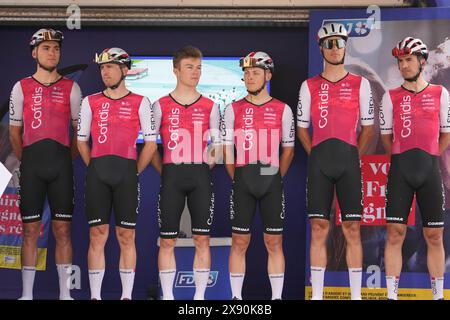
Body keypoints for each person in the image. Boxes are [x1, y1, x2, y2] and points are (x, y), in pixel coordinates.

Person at [297, 23, 374, 300]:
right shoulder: (309, 86)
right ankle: (317, 295)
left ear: (345, 46)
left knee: (352, 229)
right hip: (320, 162)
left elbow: (368, 128)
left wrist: (353, 156)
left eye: (339, 43)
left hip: (348, 163)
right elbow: (302, 129)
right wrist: (315, 154)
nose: (334, 48)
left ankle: (356, 296)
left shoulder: (360, 83)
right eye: (329, 44)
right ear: (321, 48)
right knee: (319, 228)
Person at [77, 47, 157, 300]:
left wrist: (133, 171)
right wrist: (95, 167)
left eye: (110, 67)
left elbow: (152, 144)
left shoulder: (141, 102)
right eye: (102, 68)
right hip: (98, 174)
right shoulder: (90, 101)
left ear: (124, 70)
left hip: (127, 175)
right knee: (97, 235)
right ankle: (96, 296)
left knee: (126, 235)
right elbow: (81, 141)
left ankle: (126, 295)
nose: (105, 72)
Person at [9, 28, 82, 300]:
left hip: (61, 166)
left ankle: (65, 295)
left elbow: (79, 133)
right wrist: (29, 161)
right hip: (32, 167)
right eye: (46, 48)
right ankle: (26, 295)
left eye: (56, 49)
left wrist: (65, 159)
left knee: (63, 230)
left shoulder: (72, 87)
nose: (53, 53)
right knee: (29, 230)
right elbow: (15, 133)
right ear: (34, 53)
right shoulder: (21, 86)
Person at [380, 36, 450, 300]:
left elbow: (446, 134)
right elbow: (386, 137)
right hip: (401, 171)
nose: (403, 66)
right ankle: (391, 295)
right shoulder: (390, 96)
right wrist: (402, 158)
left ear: (422, 61)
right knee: (394, 233)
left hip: (429, 170)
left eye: (408, 60)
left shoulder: (440, 94)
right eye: (400, 61)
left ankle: (437, 295)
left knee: (434, 235)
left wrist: (431, 156)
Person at [222, 51, 295, 300]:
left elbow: (288, 150)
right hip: (243, 178)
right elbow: (226, 150)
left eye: (255, 72)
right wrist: (238, 177)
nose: (249, 77)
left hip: (270, 178)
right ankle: (236, 298)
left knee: (274, 243)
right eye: (246, 73)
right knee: (239, 242)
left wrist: (274, 176)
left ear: (268, 75)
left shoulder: (283, 109)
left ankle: (276, 297)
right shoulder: (232, 109)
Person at [151, 45, 221, 300]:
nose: (196, 72)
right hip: (171, 176)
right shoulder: (160, 105)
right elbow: (151, 147)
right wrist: (167, 171)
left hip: (201, 178)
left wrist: (202, 166)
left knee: (202, 240)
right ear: (176, 70)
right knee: (167, 241)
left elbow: (218, 147)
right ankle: (168, 297)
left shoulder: (211, 106)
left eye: (199, 68)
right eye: (190, 67)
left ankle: (199, 298)